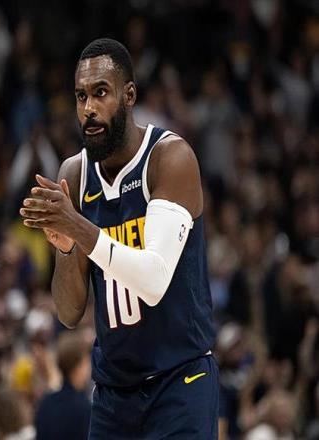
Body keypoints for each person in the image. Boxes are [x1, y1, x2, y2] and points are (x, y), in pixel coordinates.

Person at [20, 38, 218, 438]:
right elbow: (69, 313)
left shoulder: (169, 158)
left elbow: (154, 281)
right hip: (114, 396)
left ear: (129, 95)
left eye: (100, 93)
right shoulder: (74, 174)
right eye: (81, 96)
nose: (88, 108)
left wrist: (77, 227)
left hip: (180, 383)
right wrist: (65, 248)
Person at [35, 330, 92, 440]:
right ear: (78, 366)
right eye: (86, 361)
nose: (89, 366)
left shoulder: (46, 403)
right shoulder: (84, 408)